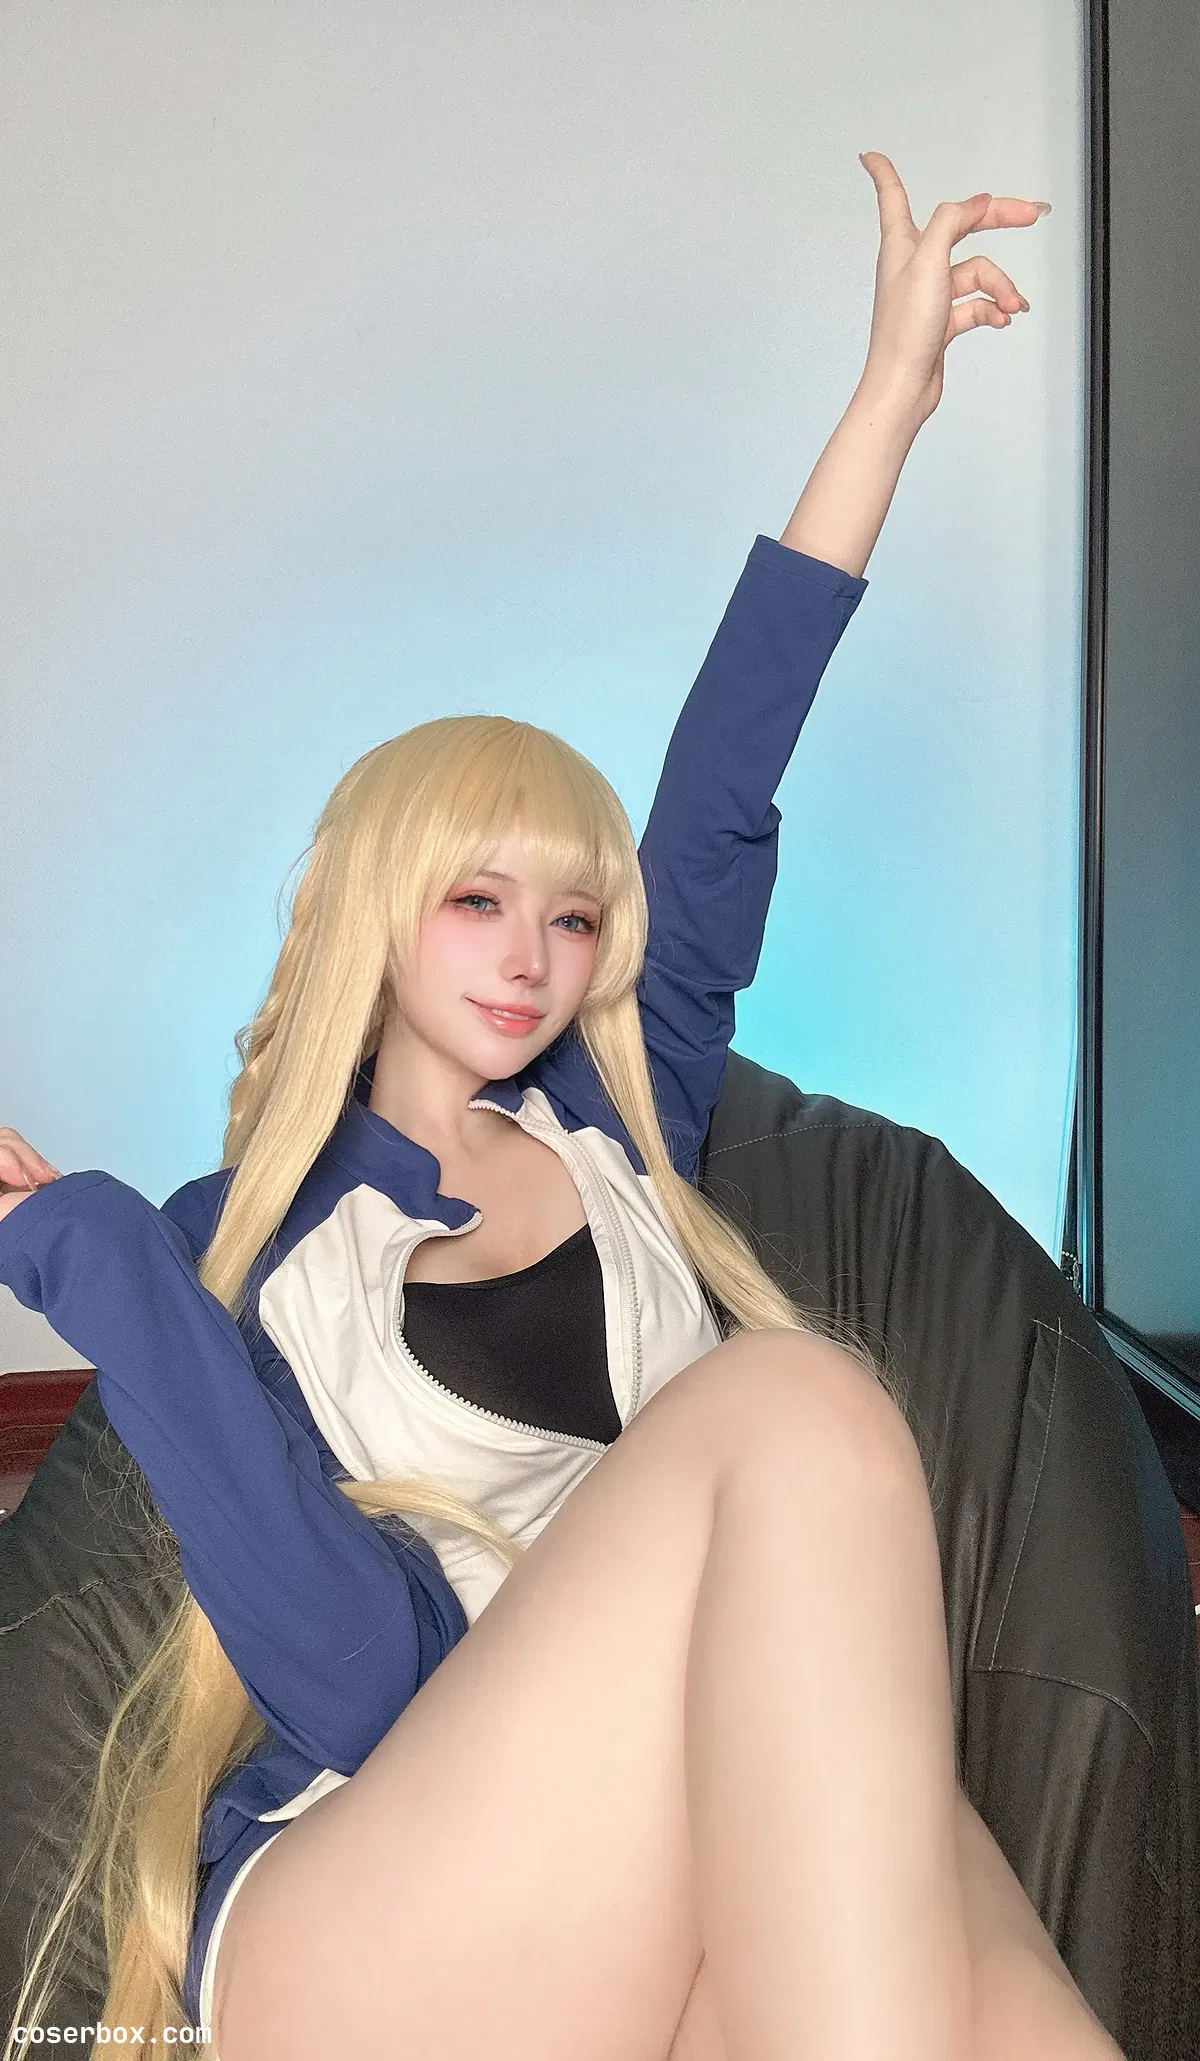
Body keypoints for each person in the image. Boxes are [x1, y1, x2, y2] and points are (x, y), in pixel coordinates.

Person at [0, 153, 1120, 2061]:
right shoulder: (244, 1240)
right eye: (476, 899)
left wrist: (889, 398)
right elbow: (354, 1682)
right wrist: (91, 1255)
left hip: (662, 1860)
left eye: (575, 914)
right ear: (376, 909)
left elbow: (734, 757)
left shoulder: (621, 1128)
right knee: (795, 1401)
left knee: (966, 1930)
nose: (532, 955)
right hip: (376, 1911)